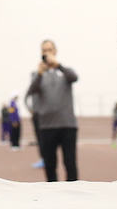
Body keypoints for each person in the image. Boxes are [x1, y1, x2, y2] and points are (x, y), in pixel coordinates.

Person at [26, 39, 78, 182]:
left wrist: (58, 65)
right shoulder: (37, 75)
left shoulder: (66, 71)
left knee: (70, 163)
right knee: (50, 166)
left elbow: (74, 78)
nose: (47, 53)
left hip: (67, 125)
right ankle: (52, 200)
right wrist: (40, 73)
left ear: (55, 51)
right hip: (47, 126)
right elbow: (31, 91)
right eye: (44, 50)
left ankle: (75, 197)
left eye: (49, 50)